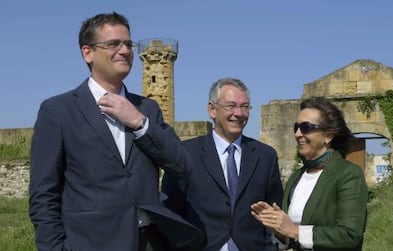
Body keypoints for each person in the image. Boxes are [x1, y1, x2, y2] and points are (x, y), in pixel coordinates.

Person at [29, 12, 203, 251]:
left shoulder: (147, 109)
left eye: (128, 44)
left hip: (150, 242)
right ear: (87, 52)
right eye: (113, 44)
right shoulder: (57, 111)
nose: (124, 50)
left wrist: (140, 123)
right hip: (90, 244)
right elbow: (43, 195)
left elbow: (182, 165)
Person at [161, 77, 284, 251]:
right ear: (212, 109)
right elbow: (171, 213)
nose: (239, 113)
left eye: (245, 106)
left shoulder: (265, 156)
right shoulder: (186, 154)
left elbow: (275, 212)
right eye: (231, 106)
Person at [251, 96, 369, 251]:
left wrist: (294, 231)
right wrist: (278, 227)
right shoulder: (297, 176)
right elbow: (288, 238)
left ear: (327, 136)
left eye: (306, 127)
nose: (298, 134)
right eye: (296, 127)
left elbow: (350, 235)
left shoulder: (348, 174)